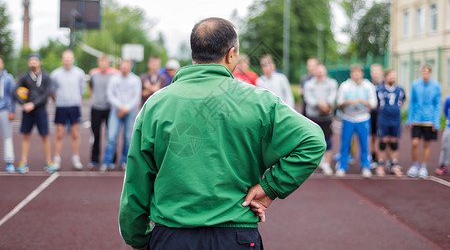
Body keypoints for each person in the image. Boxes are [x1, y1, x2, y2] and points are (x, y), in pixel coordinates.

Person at [119, 17, 326, 250]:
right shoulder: (259, 101)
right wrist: (270, 188)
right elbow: (313, 140)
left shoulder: (156, 105)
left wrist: (136, 238)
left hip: (172, 236)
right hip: (236, 236)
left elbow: (136, 182)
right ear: (231, 54)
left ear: (193, 53)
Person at [14, 54, 56, 173]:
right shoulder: (24, 77)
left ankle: (48, 161)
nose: (33, 62)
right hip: (27, 111)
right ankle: (23, 162)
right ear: (28, 63)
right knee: (26, 136)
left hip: (41, 110)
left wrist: (33, 104)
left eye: (35, 60)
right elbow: (15, 92)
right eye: (30, 60)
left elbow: (47, 93)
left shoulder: (46, 76)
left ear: (40, 62)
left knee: (45, 136)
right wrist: (24, 103)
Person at [335, 64, 377, 178]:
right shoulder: (345, 86)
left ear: (362, 73)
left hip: (363, 119)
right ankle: (342, 166)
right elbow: (339, 102)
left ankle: (365, 167)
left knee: (364, 145)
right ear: (351, 74)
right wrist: (348, 102)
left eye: (358, 72)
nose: (356, 75)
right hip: (348, 118)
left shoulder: (368, 86)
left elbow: (374, 103)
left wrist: (364, 102)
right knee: (345, 144)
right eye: (354, 72)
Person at [100, 59, 141, 172]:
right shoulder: (113, 79)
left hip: (130, 112)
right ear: (120, 66)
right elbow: (110, 95)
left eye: (127, 65)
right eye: (123, 65)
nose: (125, 67)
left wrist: (126, 108)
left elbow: (136, 98)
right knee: (111, 137)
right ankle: (106, 162)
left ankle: (125, 162)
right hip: (115, 112)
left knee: (128, 138)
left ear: (130, 66)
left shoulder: (135, 80)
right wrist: (120, 107)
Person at [51, 50, 86, 171]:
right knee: (59, 134)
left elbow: (82, 90)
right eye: (65, 58)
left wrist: (75, 99)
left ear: (73, 59)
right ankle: (56, 159)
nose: (67, 60)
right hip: (61, 106)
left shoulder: (79, 73)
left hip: (74, 106)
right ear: (62, 59)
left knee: (75, 133)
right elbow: (52, 91)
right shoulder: (55, 74)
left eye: (69, 58)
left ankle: (76, 158)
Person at [406, 65, 441, 179]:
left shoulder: (436, 86)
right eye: (422, 72)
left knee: (427, 144)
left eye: (426, 72)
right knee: (415, 143)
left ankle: (423, 167)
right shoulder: (415, 84)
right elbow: (412, 102)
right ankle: (415, 165)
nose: (424, 74)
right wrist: (409, 119)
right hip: (416, 119)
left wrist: (436, 121)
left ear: (430, 73)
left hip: (429, 120)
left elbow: (437, 104)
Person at [303, 64, 338, 176]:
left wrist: (327, 104)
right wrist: (320, 104)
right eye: (318, 71)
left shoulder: (332, 83)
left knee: (328, 141)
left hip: (327, 117)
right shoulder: (308, 84)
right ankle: (312, 164)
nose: (320, 73)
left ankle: (327, 164)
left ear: (325, 71)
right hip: (313, 117)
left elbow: (333, 96)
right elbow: (309, 99)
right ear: (314, 72)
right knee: (312, 141)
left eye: (322, 71)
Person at [88, 55, 119, 170]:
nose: (103, 64)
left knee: (110, 135)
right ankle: (94, 160)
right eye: (101, 62)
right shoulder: (93, 74)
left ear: (108, 63)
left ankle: (111, 160)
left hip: (109, 108)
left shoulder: (113, 75)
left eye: (105, 62)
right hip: (96, 108)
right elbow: (91, 86)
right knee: (96, 135)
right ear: (98, 63)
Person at [376, 69, 406, 177]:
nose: (393, 77)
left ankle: (393, 164)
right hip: (383, 118)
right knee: (383, 140)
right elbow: (376, 104)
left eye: (394, 75)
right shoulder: (379, 89)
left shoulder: (400, 89)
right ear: (386, 77)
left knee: (394, 141)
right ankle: (380, 164)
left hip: (396, 119)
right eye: (391, 76)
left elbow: (402, 101)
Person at [0, 56, 15, 172]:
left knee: (7, 137)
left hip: (4, 110)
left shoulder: (8, 78)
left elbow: (12, 96)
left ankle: (9, 162)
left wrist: (12, 111)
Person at [369, 64, 384, 170]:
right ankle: (374, 158)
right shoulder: (368, 85)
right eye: (373, 71)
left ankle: (382, 159)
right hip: (371, 115)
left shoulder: (385, 85)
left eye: (377, 71)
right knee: (373, 137)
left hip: (383, 115)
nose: (375, 73)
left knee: (383, 137)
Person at [435, 93, 450, 175]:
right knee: (445, 146)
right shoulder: (448, 98)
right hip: (449, 126)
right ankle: (444, 165)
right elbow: (445, 111)